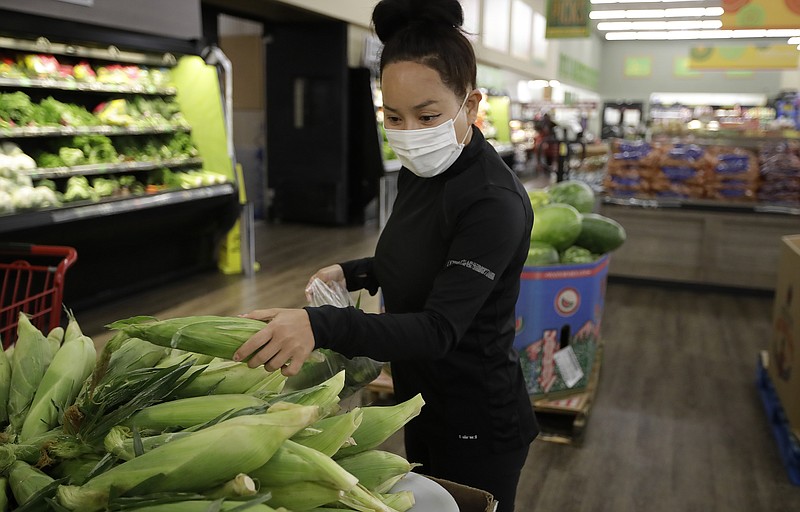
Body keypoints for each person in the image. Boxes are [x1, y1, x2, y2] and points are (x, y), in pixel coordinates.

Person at [233, 0, 539, 509]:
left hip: (477, 421)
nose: (411, 133)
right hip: (420, 401)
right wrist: (352, 272)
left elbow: (439, 329)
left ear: (471, 103)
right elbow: (421, 255)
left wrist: (319, 324)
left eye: (428, 115)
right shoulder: (424, 172)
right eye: (393, 117)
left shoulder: (493, 201)